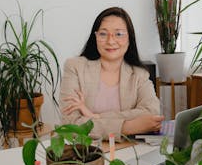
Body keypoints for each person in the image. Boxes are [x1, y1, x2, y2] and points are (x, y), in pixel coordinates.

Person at [59, 7, 164, 141]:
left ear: (129, 38)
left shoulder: (139, 74)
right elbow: (70, 124)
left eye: (118, 34)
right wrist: (126, 127)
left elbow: (152, 113)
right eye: (103, 34)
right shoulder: (75, 67)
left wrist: (94, 117)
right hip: (85, 152)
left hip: (127, 149)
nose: (110, 41)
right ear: (95, 37)